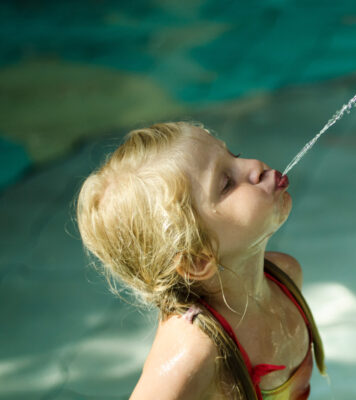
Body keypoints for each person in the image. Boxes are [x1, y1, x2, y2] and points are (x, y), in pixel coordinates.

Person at [76, 122, 324, 399]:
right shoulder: (193, 352)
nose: (254, 166)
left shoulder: (286, 277)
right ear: (197, 260)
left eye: (235, 156)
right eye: (226, 183)